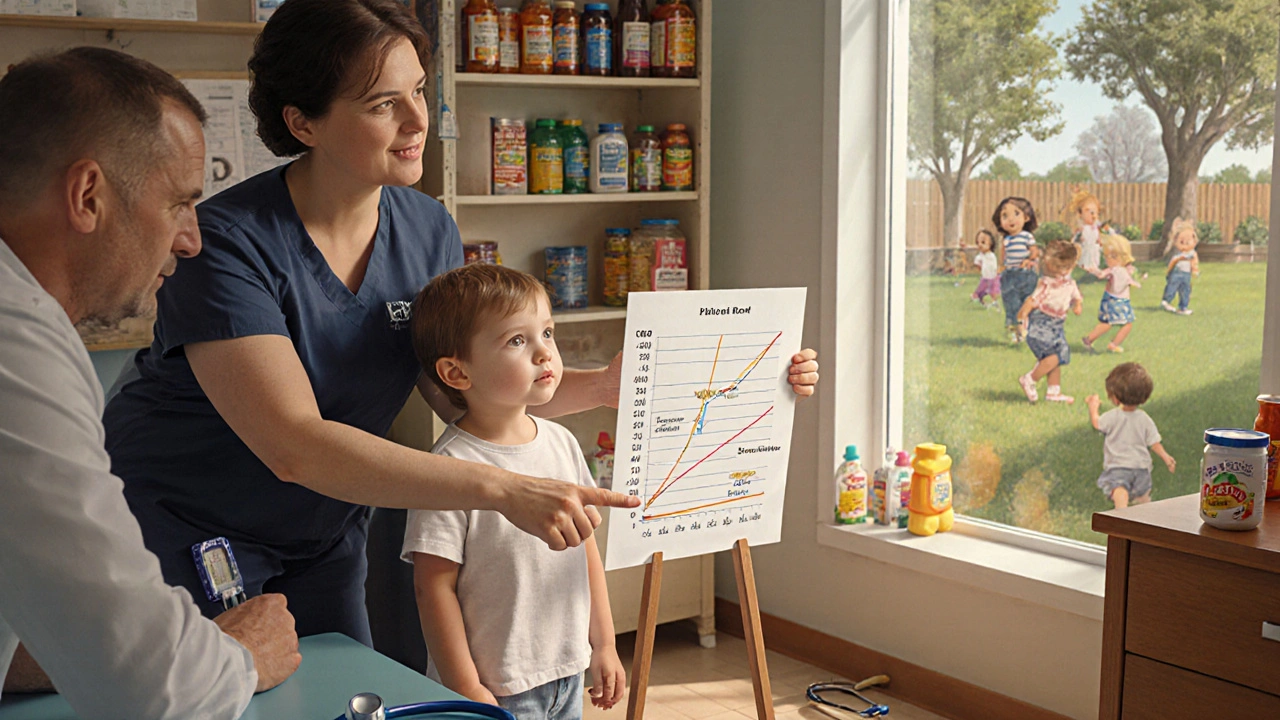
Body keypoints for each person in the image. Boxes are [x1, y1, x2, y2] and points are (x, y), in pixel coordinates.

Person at [101, 0, 820, 646]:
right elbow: (295, 446)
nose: (417, 121)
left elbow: (463, 393)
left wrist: (617, 385)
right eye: (385, 103)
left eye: (419, 90)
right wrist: (504, 490)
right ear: (303, 122)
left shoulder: (426, 228)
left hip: (324, 528)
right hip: (189, 524)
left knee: (342, 695)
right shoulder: (226, 243)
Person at [0, 48, 300, 718]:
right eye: (179, 203)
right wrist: (241, 658)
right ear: (88, 196)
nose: (191, 240)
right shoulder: (14, 344)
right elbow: (149, 688)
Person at [403, 265, 625, 717]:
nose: (545, 353)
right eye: (517, 341)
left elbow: (586, 554)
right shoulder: (447, 470)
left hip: (566, 671)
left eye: (547, 332)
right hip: (494, 686)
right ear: (456, 372)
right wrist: (466, 687)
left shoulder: (561, 442)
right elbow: (433, 589)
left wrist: (603, 644)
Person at [1085, 363, 1176, 509]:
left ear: (1115, 398)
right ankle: (1145, 512)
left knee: (1119, 488)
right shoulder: (1144, 418)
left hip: (1118, 466)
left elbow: (1097, 423)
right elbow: (1154, 442)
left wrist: (1093, 406)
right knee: (1142, 495)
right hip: (1141, 468)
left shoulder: (1113, 417)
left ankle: (1121, 510)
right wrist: (1166, 457)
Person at [1016, 240, 1083, 405]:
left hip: (1057, 325)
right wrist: (1021, 319)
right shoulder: (1046, 284)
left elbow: (1076, 297)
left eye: (1065, 268)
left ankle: (1054, 391)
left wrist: (1077, 306)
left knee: (1057, 358)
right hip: (1042, 324)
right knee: (1053, 357)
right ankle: (1029, 379)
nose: (1062, 272)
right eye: (1058, 268)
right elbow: (1030, 302)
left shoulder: (1070, 283)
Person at [1082, 233, 1141, 354]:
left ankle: (1093, 340)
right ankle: (1109, 343)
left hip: (1119, 300)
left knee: (1113, 323)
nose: (1109, 259)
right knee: (1115, 324)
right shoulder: (1113, 270)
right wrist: (1093, 270)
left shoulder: (1125, 269)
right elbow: (1101, 274)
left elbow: (1130, 278)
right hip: (1115, 301)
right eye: (1107, 256)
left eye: (1113, 256)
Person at [994, 196, 1041, 344]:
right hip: (1009, 276)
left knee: (1027, 303)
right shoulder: (1006, 240)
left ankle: (1030, 332)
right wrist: (1001, 267)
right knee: (1011, 304)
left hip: (1026, 275)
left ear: (1026, 217)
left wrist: (1029, 260)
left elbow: (1034, 252)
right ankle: (1013, 334)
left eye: (1016, 214)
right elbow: (1003, 255)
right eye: (1005, 216)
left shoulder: (1027, 236)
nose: (1010, 219)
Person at [1161, 218, 1199, 315]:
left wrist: (1195, 270)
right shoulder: (1178, 256)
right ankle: (1166, 301)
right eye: (1182, 242)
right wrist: (1169, 272)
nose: (1185, 245)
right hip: (1177, 273)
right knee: (1172, 286)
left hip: (1187, 275)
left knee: (1185, 290)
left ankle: (1183, 307)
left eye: (1188, 242)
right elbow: (1173, 263)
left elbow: (1194, 263)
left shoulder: (1192, 254)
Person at [969, 228, 1001, 308]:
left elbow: (994, 266)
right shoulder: (980, 256)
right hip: (985, 277)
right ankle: (979, 299)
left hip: (993, 277)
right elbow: (977, 264)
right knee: (981, 290)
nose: (980, 245)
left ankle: (994, 301)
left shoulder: (991, 255)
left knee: (993, 290)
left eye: (983, 242)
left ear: (991, 244)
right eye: (978, 242)